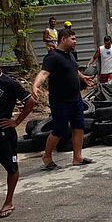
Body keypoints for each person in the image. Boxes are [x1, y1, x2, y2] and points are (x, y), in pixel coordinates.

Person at [0, 49, 36, 219]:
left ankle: (8, 201)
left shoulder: (8, 83)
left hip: (3, 135)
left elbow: (30, 101)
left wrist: (16, 122)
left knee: (11, 167)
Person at [32, 28, 95, 170]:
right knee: (59, 130)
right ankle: (47, 157)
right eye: (73, 39)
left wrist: (83, 77)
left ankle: (77, 157)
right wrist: (35, 85)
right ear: (63, 39)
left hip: (76, 99)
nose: (75, 42)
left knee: (78, 127)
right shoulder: (52, 57)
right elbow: (43, 73)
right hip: (60, 101)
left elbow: (73, 69)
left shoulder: (70, 55)